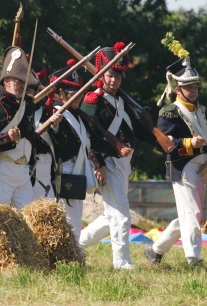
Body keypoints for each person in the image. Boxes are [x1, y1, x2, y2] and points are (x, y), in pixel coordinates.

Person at [143, 56, 207, 267]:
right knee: (192, 213)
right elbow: (161, 143)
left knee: (190, 214)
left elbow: (205, 143)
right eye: (188, 87)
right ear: (177, 89)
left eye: (195, 87)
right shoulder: (169, 112)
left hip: (202, 165)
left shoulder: (199, 110)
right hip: (182, 166)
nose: (193, 90)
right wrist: (189, 142)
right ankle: (194, 259)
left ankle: (155, 250)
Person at [78, 42, 157, 270]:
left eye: (118, 77)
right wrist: (99, 163)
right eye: (111, 75)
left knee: (111, 216)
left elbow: (137, 131)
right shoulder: (93, 99)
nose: (114, 80)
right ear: (103, 73)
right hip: (107, 162)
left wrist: (163, 141)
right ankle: (121, 263)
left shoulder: (121, 100)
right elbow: (89, 135)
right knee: (121, 216)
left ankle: (75, 244)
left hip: (123, 163)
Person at [0, 46, 62, 209]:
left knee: (28, 221)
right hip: (2, 170)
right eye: (17, 81)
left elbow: (30, 137)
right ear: (6, 81)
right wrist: (6, 138)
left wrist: (51, 126)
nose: (22, 85)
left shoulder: (27, 104)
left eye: (24, 82)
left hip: (24, 172)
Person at [45, 59, 118, 241]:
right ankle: (68, 256)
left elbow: (91, 142)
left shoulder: (78, 116)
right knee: (66, 220)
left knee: (74, 219)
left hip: (77, 171)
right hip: (64, 171)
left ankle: (74, 254)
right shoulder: (56, 115)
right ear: (61, 93)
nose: (78, 98)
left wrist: (117, 148)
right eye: (72, 94)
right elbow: (62, 145)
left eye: (79, 93)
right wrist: (55, 127)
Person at [30, 61, 57, 199]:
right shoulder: (12, 111)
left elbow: (61, 145)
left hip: (45, 168)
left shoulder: (46, 113)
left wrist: (55, 126)